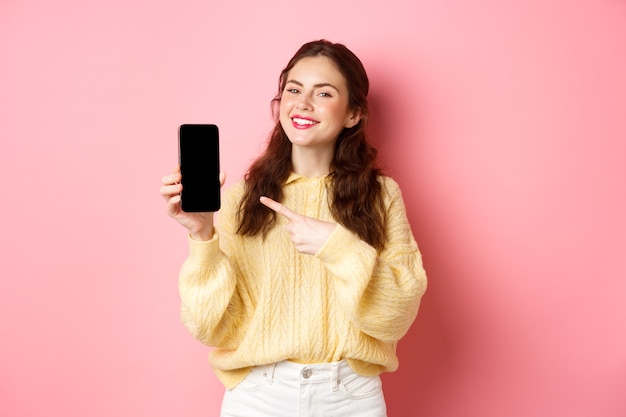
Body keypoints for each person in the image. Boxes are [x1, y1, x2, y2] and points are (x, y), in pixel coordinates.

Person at [160, 39, 427, 417]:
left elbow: (395, 316)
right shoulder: (242, 200)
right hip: (259, 397)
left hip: (351, 397)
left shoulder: (381, 196)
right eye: (293, 89)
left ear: (353, 114)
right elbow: (211, 328)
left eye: (324, 93)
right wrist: (203, 235)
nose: (303, 103)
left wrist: (338, 246)